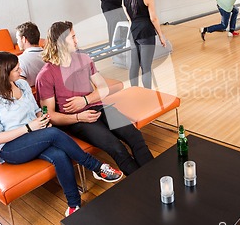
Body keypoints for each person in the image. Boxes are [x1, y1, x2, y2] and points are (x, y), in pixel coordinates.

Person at [0, 51, 122, 217]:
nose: (20, 70)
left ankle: (74, 205)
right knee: (53, 133)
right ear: (3, 73)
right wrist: (30, 127)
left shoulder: (22, 85)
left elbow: (37, 110)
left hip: (34, 136)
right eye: (16, 69)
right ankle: (96, 166)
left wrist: (42, 119)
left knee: (59, 155)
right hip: (10, 147)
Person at [36, 21, 154, 176]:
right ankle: (145, 184)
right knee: (117, 148)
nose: (76, 40)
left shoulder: (84, 59)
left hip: (98, 107)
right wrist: (79, 117)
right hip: (76, 120)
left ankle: (156, 176)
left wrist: (85, 100)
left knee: (135, 136)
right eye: (73, 37)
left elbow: (103, 88)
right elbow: (50, 115)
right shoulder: (46, 75)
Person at [123, 0, 166, 89]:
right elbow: (153, 18)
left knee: (134, 65)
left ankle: (134, 92)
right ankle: (147, 94)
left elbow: (129, 18)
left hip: (133, 32)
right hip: (146, 32)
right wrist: (161, 36)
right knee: (146, 67)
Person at [16, 21, 45, 86]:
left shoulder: (20, 61)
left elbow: (20, 88)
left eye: (17, 39)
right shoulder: (50, 55)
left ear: (23, 39)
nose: (17, 42)